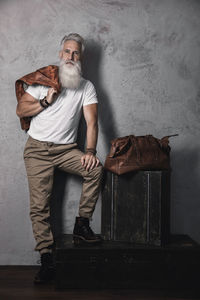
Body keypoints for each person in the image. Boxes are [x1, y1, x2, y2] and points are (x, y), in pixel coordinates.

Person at [16, 33, 103, 284]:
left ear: (81, 58)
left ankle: (81, 225)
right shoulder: (44, 80)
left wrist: (90, 152)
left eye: (75, 53)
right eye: (67, 51)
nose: (70, 57)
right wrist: (45, 101)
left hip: (66, 150)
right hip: (37, 151)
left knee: (95, 170)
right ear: (60, 54)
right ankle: (46, 260)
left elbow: (92, 122)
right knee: (39, 207)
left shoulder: (86, 87)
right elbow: (21, 110)